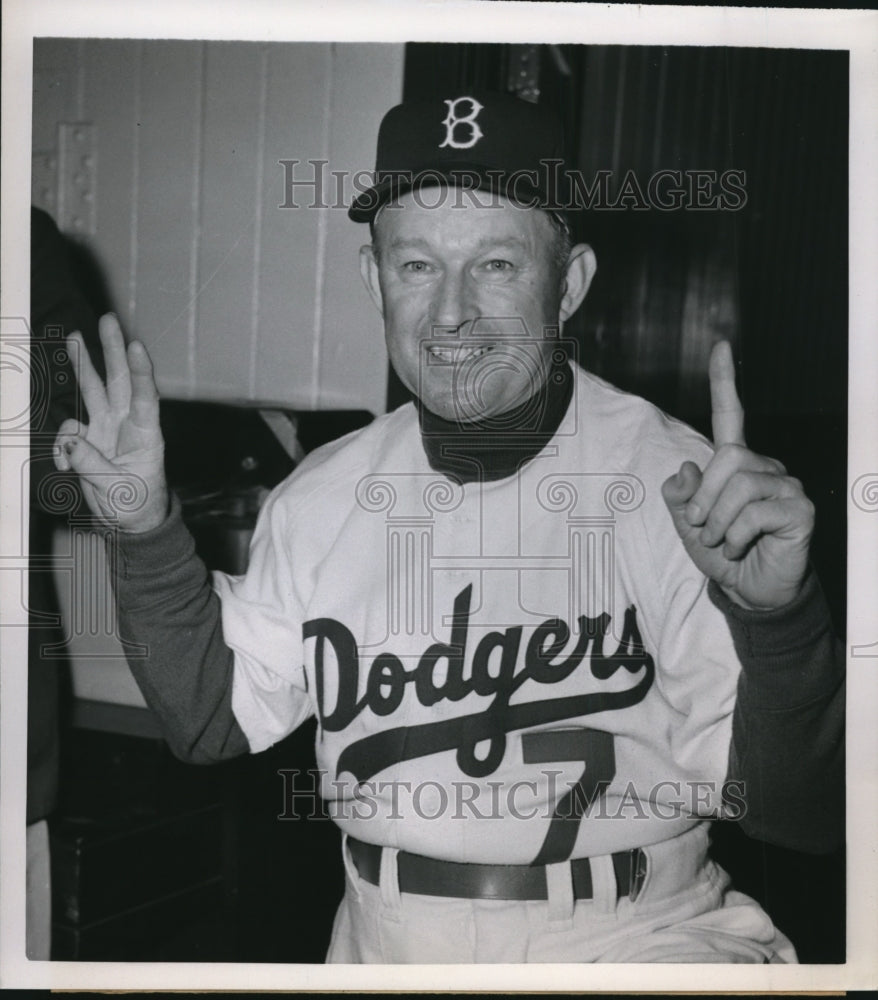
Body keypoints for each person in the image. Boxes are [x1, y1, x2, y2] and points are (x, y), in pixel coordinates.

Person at [53, 92, 843, 963]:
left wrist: (781, 619)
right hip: (382, 935)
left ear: (570, 284)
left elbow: (800, 816)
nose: (453, 314)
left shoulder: (680, 485)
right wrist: (142, 529)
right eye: (417, 266)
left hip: (637, 935)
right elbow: (209, 721)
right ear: (371, 279)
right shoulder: (319, 497)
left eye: (498, 265)